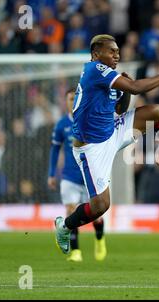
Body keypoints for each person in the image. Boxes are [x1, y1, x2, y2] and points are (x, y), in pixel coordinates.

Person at [54, 34, 159, 254]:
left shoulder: (111, 77)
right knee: (100, 206)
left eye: (118, 51)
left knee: (156, 111)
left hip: (112, 131)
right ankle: (64, 226)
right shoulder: (93, 70)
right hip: (92, 148)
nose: (116, 55)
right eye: (111, 51)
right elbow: (136, 87)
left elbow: (120, 110)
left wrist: (124, 91)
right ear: (96, 54)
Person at [48, 88, 106, 262]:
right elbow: (54, 149)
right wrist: (51, 174)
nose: (72, 102)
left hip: (90, 176)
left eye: (75, 98)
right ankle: (76, 251)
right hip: (69, 177)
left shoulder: (90, 120)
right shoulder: (61, 124)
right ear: (65, 101)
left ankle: (100, 239)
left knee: (97, 215)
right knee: (70, 211)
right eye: (70, 99)